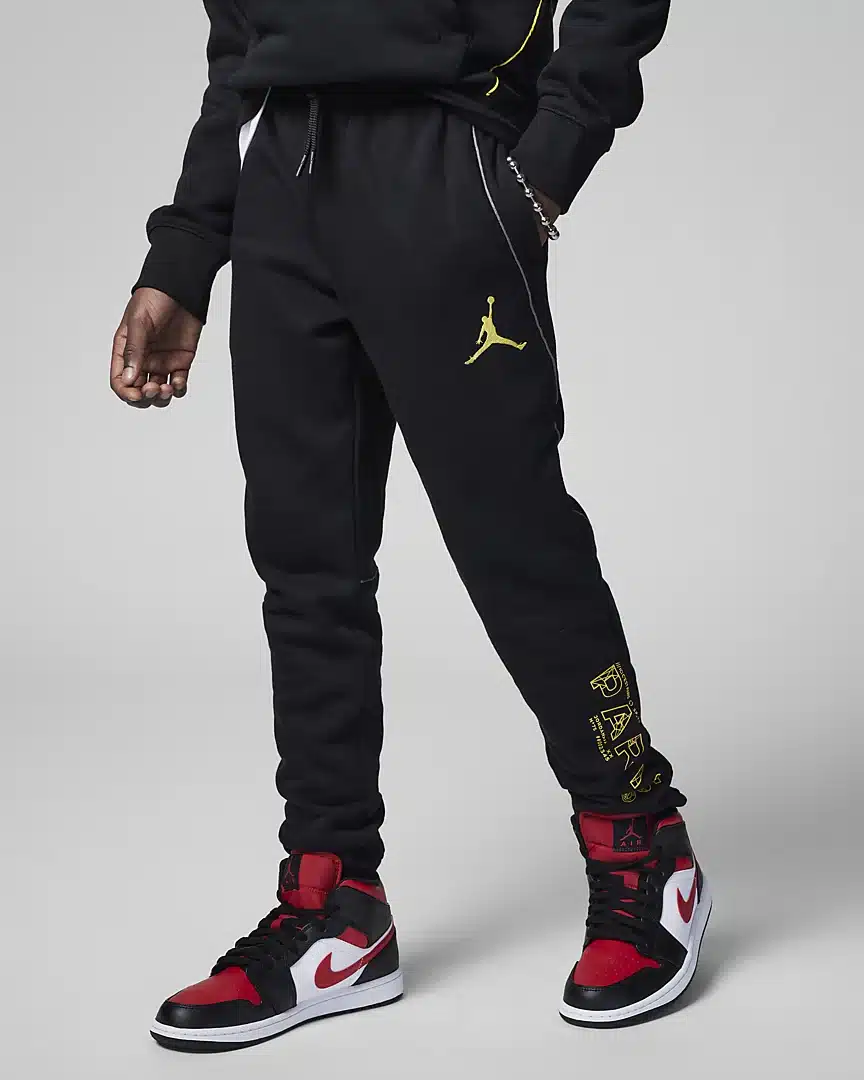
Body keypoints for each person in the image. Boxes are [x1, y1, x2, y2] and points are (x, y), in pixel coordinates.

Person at [112, 0, 710, 1052]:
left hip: (445, 160)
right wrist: (189, 246)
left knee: (514, 543)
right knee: (306, 564)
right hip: (280, 174)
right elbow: (239, 39)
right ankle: (335, 904)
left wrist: (549, 158)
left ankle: (641, 845)